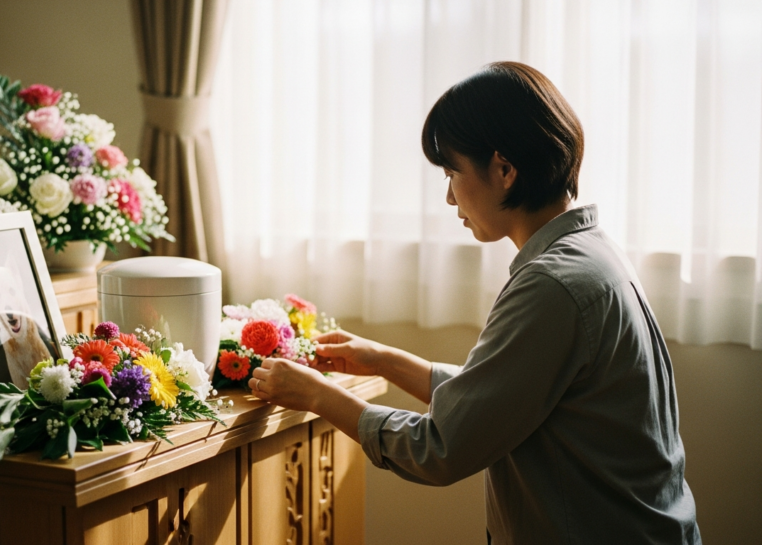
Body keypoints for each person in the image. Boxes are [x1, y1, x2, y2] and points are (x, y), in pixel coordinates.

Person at [249, 61, 701, 544]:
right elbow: (504, 398)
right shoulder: (590, 252)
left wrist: (318, 395)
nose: (449, 198)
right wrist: (385, 361)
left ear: (504, 169)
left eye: (452, 172)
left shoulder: (552, 284)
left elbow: (441, 449)